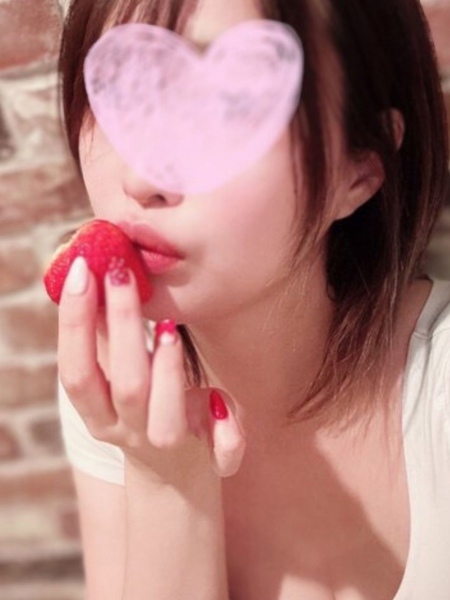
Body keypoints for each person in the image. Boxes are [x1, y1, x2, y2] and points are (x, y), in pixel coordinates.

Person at [55, 0, 450, 598]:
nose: (140, 178)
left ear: (357, 171)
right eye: (122, 92)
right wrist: (167, 480)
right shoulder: (119, 383)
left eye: (228, 106)